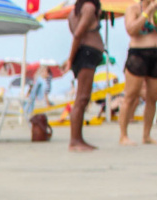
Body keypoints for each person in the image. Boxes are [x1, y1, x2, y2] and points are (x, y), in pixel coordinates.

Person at [119, 0, 157, 145]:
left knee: (152, 97)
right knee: (130, 96)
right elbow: (131, 30)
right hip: (138, 53)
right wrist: (147, 11)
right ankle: (123, 135)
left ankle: (146, 135)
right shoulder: (133, 9)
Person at [61, 0, 103, 151]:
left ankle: (78, 138)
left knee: (83, 99)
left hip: (85, 54)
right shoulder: (89, 7)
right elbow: (78, 34)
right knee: (82, 98)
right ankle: (75, 140)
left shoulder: (74, 11)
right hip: (86, 53)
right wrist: (70, 58)